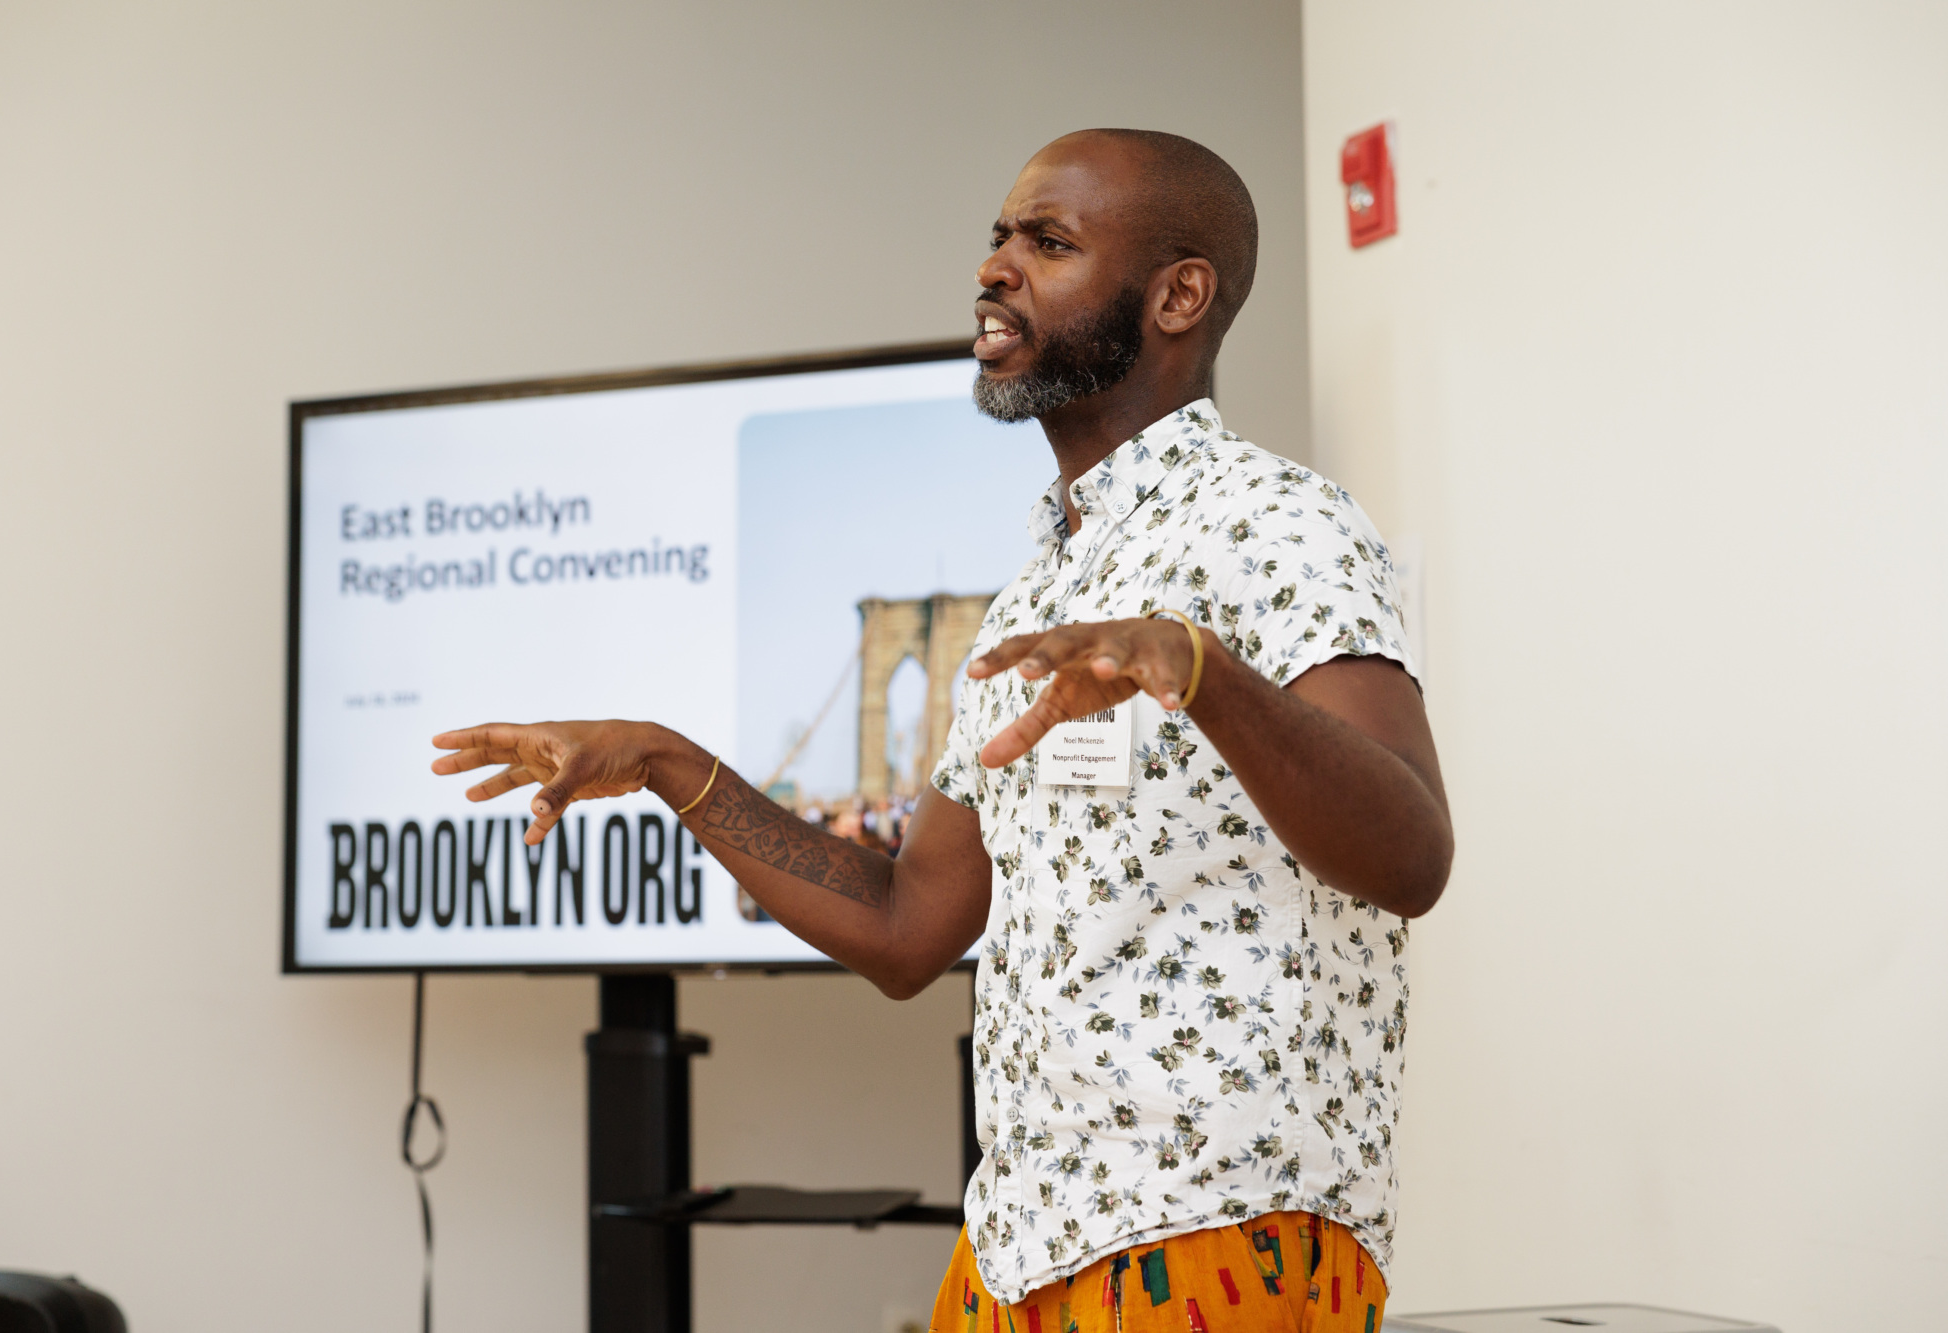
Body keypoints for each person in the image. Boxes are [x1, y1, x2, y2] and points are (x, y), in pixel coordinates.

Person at [430, 129, 1452, 1333]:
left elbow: (1409, 854)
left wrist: (1200, 672)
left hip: (1218, 1223)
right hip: (1021, 1237)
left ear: (1179, 294)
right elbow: (910, 925)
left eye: (1048, 242)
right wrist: (668, 761)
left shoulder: (1278, 522)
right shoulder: (1032, 595)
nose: (997, 268)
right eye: (998, 237)